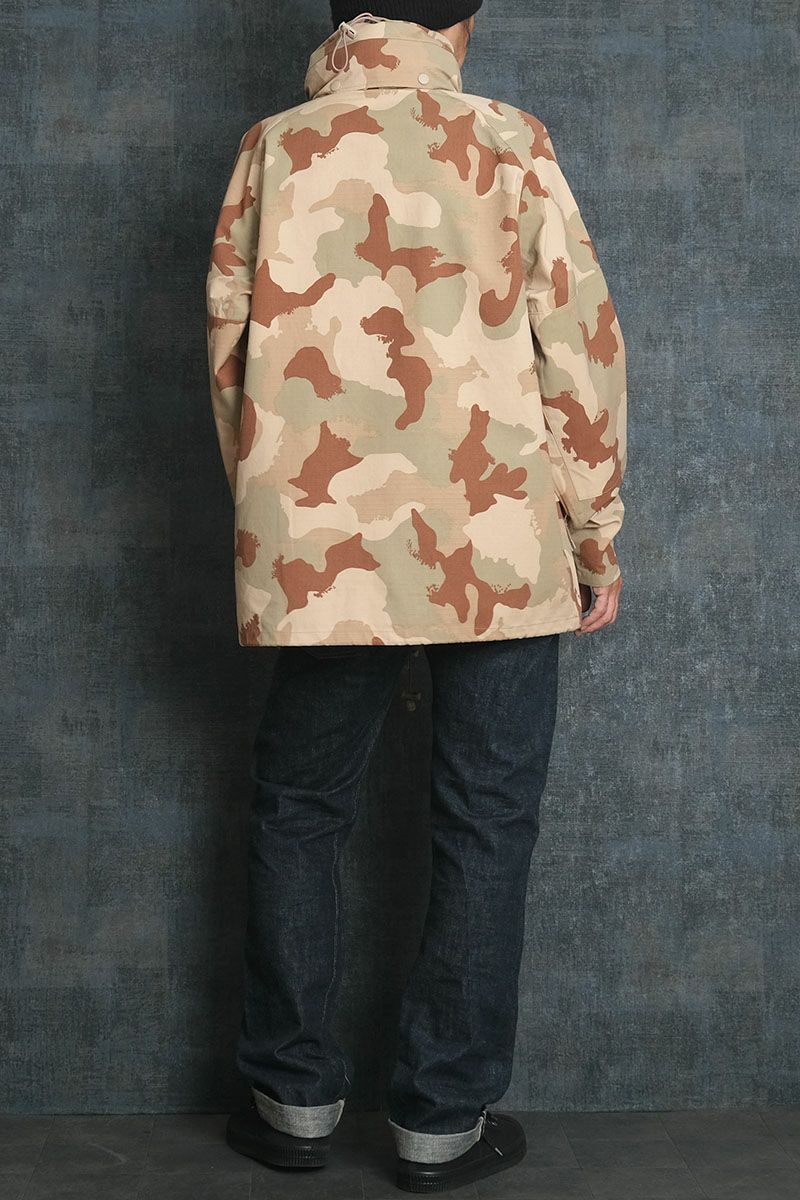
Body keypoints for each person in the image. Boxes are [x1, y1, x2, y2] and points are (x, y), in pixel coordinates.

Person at [206, 2, 627, 1192]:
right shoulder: (508, 140)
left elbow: (231, 360)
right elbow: (579, 352)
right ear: (463, 18)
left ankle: (290, 1103)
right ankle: (440, 1122)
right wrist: (594, 540)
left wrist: (281, 526)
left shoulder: (273, 147)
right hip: (498, 545)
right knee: (484, 821)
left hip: (324, 551)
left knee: (299, 808)